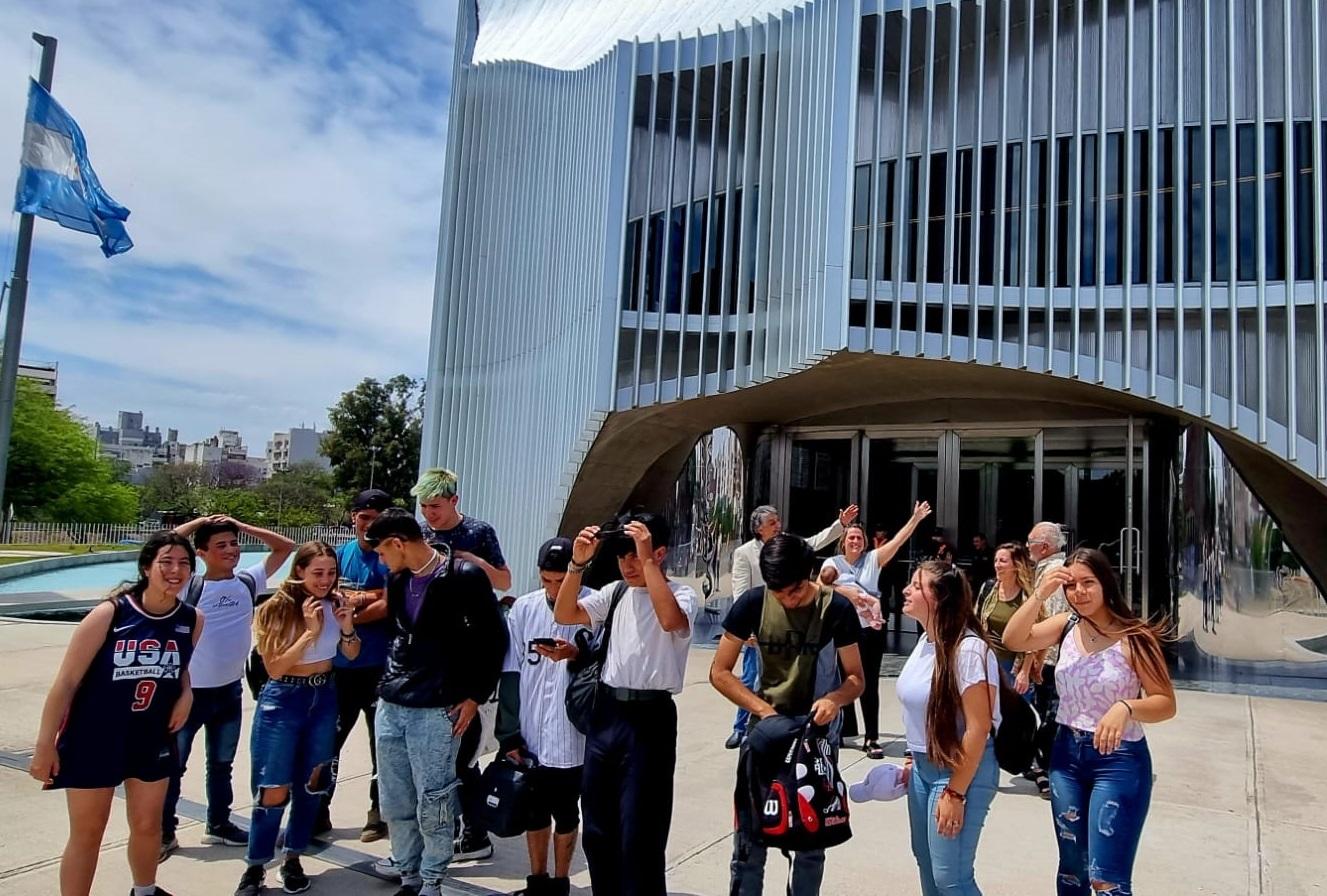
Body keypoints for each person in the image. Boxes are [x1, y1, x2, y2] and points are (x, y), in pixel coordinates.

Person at [31, 531, 203, 896]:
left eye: (184, 563)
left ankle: (144, 891)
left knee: (147, 824)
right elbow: (66, 682)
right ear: (146, 567)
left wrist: (186, 692)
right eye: (166, 562)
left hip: (151, 734)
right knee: (89, 830)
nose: (175, 570)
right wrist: (45, 745)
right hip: (95, 735)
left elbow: (178, 667)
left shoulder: (192, 619)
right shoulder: (112, 613)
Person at [1002, 548, 1177, 896]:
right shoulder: (1066, 627)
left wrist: (1127, 706)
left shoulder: (1135, 636)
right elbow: (1013, 639)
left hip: (1118, 761)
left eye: (1088, 583)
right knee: (1071, 872)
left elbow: (1165, 703)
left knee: (1106, 879)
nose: (1078, 592)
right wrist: (1040, 593)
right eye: (1071, 586)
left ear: (1106, 584)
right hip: (1066, 757)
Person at [710, 533, 865, 896]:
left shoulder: (836, 609)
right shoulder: (753, 603)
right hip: (764, 735)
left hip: (815, 740)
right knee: (749, 842)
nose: (786, 599)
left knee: (810, 845)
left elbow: (856, 678)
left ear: (809, 574)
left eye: (794, 591)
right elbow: (720, 671)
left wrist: (835, 699)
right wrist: (763, 712)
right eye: (778, 592)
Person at [554, 510, 698, 896]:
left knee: (641, 832)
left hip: (650, 718)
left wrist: (647, 557)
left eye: (634, 554)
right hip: (608, 714)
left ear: (660, 552)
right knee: (598, 830)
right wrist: (578, 563)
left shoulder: (681, 594)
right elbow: (565, 612)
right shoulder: (615, 592)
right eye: (622, 556)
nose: (628, 564)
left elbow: (670, 621)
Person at [368, 509, 507, 896]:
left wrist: (474, 696)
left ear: (398, 543)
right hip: (394, 700)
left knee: (436, 797)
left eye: (382, 551)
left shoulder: (462, 576)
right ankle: (408, 872)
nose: (381, 559)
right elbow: (398, 633)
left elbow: (493, 640)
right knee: (396, 795)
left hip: (438, 705)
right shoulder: (398, 579)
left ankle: (432, 879)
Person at [161, 515, 295, 860]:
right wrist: (200, 522)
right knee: (173, 767)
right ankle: (164, 831)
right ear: (201, 553)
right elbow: (163, 545)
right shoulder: (191, 584)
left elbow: (285, 548)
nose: (231, 550)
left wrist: (242, 526)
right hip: (188, 694)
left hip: (228, 693)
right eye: (220, 545)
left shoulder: (248, 581)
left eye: (233, 544)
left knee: (221, 765)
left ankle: (218, 824)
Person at [234, 542, 361, 896]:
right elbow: (274, 667)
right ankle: (256, 865)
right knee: (273, 785)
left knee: (313, 781)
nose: (325, 580)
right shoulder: (275, 608)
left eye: (331, 573)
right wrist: (309, 632)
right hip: (284, 698)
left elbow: (350, 653)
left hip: (324, 694)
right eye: (317, 573)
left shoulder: (336, 603)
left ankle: (293, 857)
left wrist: (347, 626)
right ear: (300, 570)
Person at [412, 466, 508, 862]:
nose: (428, 514)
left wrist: (469, 560)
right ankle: (450, 828)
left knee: (462, 752)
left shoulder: (478, 533)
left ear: (454, 501)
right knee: (436, 756)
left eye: (435, 506)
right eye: (423, 507)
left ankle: (474, 830)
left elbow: (504, 580)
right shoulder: (422, 536)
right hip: (434, 651)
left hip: (471, 646)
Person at [495, 537, 596, 896]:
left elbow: (603, 667)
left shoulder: (594, 607)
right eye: (546, 580)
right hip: (532, 729)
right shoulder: (524, 608)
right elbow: (511, 671)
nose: (553, 589)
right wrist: (508, 733)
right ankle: (537, 880)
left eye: (561, 580)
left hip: (573, 735)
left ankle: (560, 882)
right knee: (534, 811)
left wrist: (576, 656)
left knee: (567, 812)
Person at [896, 561, 1001, 896]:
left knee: (951, 879)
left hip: (958, 770)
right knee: (927, 866)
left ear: (939, 598)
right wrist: (913, 756)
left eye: (916, 585)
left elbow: (978, 726)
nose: (906, 590)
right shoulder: (927, 642)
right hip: (923, 769)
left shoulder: (968, 649)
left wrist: (955, 792)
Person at [726, 503, 858, 749]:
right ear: (759, 529)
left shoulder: (831, 606)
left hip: (814, 724)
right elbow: (740, 589)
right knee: (751, 678)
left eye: (778, 521)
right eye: (772, 523)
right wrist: (749, 626)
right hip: (763, 633)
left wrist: (840, 525)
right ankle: (741, 728)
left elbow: (815, 542)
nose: (778, 526)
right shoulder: (746, 559)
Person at [820, 501, 933, 759]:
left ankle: (871, 737)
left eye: (859, 538)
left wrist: (914, 519)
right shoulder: (832, 563)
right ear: (843, 541)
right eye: (851, 537)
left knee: (868, 683)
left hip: (869, 631)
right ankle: (843, 731)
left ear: (866, 542)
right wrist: (845, 591)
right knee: (840, 679)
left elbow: (899, 540)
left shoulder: (873, 560)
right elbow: (818, 588)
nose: (855, 542)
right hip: (841, 631)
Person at [318, 488, 395, 843]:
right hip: (339, 669)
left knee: (382, 745)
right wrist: (364, 602)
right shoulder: (340, 556)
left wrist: (351, 614)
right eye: (364, 519)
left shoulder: (390, 558)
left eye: (377, 520)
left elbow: (390, 604)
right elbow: (324, 596)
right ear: (353, 518)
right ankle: (319, 811)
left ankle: (378, 815)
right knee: (328, 742)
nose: (369, 527)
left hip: (379, 667)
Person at [1025, 521, 1071, 797]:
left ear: (1044, 547)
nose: (1027, 547)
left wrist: (1036, 660)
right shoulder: (1046, 570)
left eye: (1030, 542)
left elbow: (1049, 623)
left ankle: (1053, 771)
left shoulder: (1053, 573)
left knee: (1051, 718)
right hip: (1051, 658)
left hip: (1052, 661)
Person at [975, 542, 1042, 704]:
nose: (997, 565)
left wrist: (1025, 672)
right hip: (988, 661)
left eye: (1003, 561)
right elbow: (975, 622)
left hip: (1014, 666)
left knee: (1014, 716)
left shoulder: (1029, 595)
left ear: (1016, 565)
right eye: (996, 560)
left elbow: (1034, 636)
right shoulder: (988, 589)